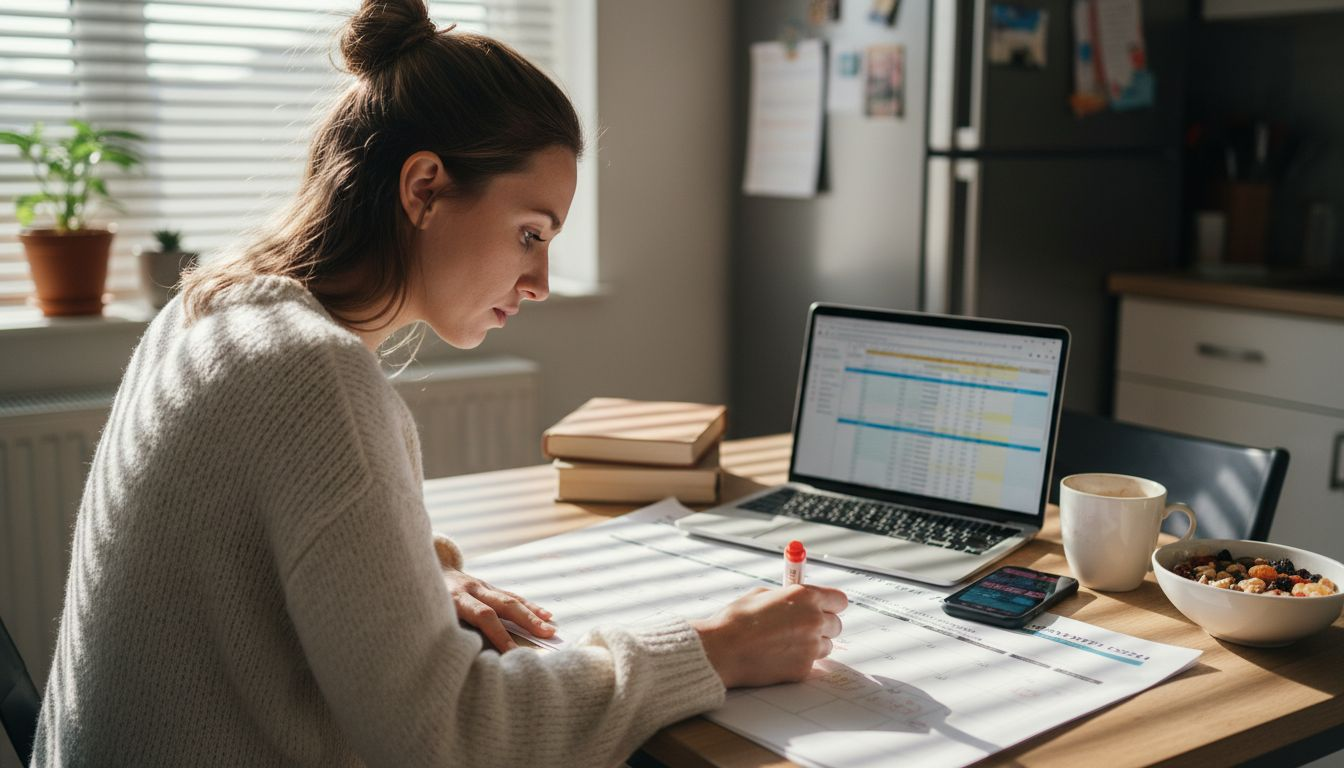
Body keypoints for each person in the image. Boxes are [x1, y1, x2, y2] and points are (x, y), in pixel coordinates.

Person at [30, 2, 847, 767]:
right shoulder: (314, 374)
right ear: (424, 188)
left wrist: (421, 573)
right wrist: (710, 651)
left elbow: (260, 547)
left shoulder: (215, 306)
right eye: (530, 233)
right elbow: (449, 735)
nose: (540, 281)